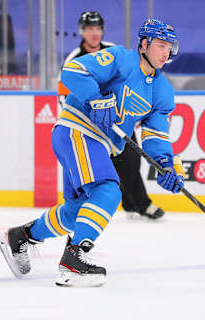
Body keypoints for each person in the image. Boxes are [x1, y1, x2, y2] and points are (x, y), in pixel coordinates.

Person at [0, 18, 185, 287]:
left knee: (76, 212)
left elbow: (155, 135)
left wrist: (165, 163)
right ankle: (73, 262)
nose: (167, 52)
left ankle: (20, 237)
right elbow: (73, 71)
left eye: (170, 47)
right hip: (77, 130)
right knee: (108, 190)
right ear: (144, 44)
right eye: (161, 45)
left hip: (96, 144)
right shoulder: (121, 58)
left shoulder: (162, 90)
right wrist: (95, 97)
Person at [58, 11, 165, 220]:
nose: (94, 33)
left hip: (119, 120)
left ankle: (134, 204)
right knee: (98, 167)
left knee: (132, 160)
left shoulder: (113, 51)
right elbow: (63, 95)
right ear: (82, 31)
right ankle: (82, 210)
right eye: (90, 29)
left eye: (97, 28)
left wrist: (135, 113)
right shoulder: (74, 59)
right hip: (90, 125)